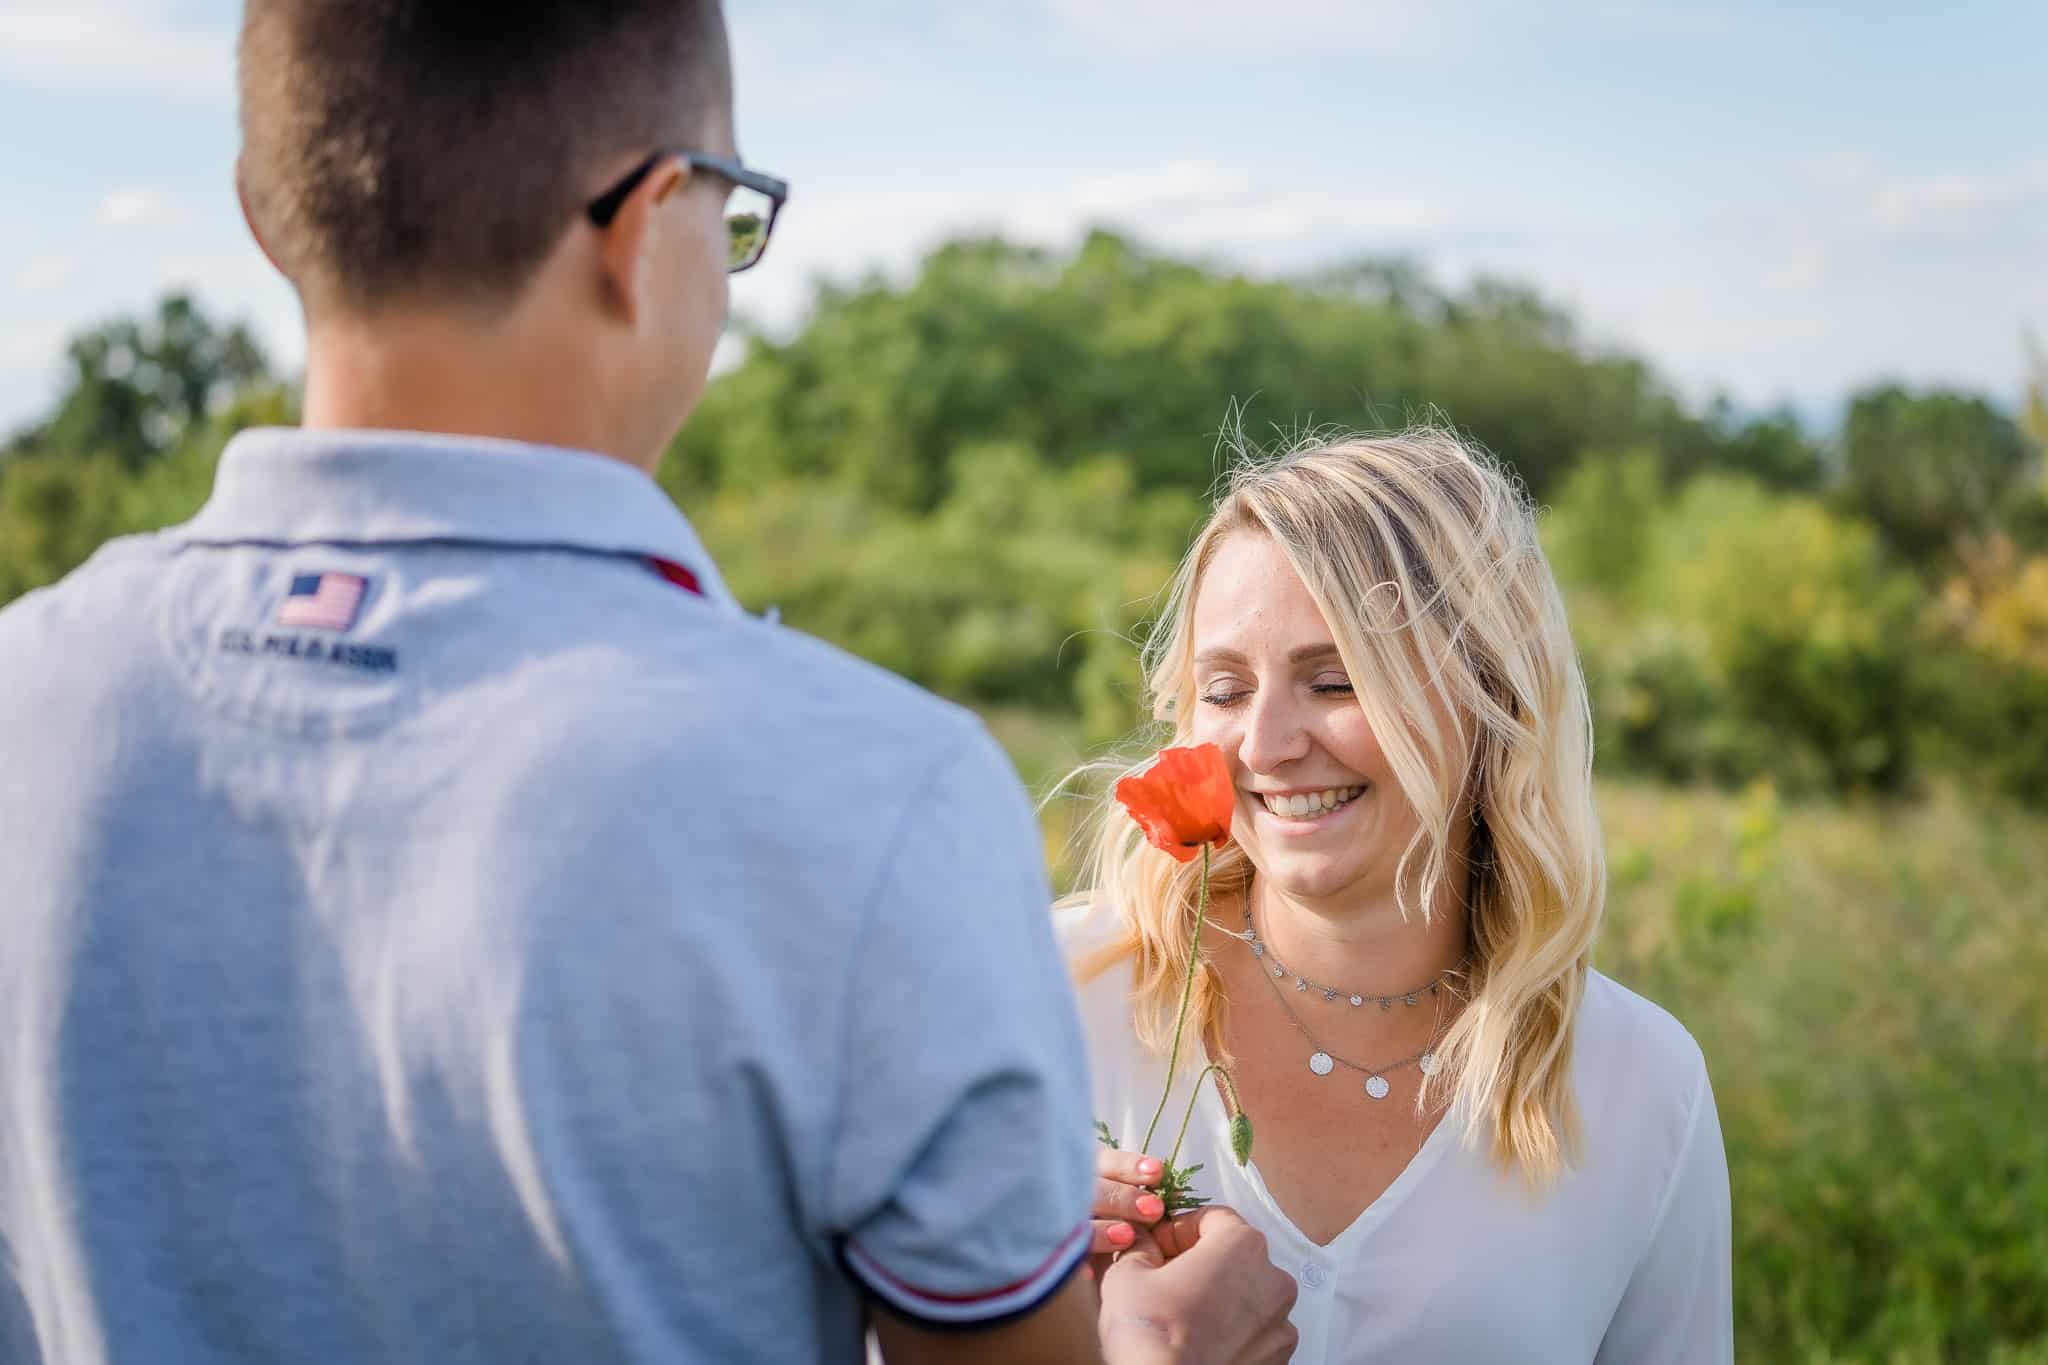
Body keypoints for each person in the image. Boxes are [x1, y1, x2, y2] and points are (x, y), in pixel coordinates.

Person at [0, 2, 1296, 1362]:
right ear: (648, 221)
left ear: (269, 218)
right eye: (735, 212)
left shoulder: (27, 694)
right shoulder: (868, 790)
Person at [1062, 431, 1733, 1362]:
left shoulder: (1640, 1085)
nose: (1265, 743)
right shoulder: (1048, 1002)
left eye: (1335, 679)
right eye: (1225, 688)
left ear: (1493, 696)